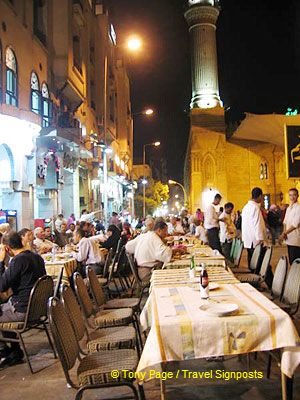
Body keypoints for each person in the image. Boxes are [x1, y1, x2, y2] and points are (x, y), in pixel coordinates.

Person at [0, 232, 46, 367]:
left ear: (7, 249)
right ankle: (14, 352)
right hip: (38, 309)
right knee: (4, 308)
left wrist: (1, 262)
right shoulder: (37, 257)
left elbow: (2, 286)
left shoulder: (17, 261)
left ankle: (4, 351)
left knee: (4, 309)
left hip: (23, 311)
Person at [241, 187, 266, 267]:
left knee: (252, 263)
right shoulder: (255, 208)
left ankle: (252, 277)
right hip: (255, 241)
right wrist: (260, 239)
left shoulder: (245, 207)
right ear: (260, 196)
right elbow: (257, 224)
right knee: (260, 264)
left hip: (248, 240)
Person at [280, 188, 300, 265]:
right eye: (290, 195)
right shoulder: (288, 208)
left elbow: (295, 224)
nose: (292, 197)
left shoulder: (298, 208)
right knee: (291, 261)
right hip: (289, 238)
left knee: (296, 262)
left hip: (295, 239)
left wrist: (284, 233)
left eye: (294, 195)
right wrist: (284, 233)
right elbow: (285, 222)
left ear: (297, 196)